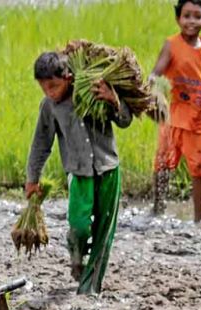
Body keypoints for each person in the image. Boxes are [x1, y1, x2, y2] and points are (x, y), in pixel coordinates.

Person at [26, 51, 133, 295]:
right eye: (44, 89)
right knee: (78, 227)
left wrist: (113, 99)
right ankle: (76, 255)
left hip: (108, 168)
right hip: (79, 172)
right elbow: (41, 144)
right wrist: (32, 179)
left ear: (69, 77)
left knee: (104, 232)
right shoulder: (50, 107)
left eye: (54, 86)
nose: (50, 93)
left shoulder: (94, 92)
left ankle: (90, 287)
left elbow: (125, 120)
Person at [149, 0, 201, 220]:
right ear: (178, 19)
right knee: (163, 164)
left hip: (199, 119)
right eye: (186, 16)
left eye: (197, 16)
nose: (191, 21)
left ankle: (198, 219)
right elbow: (157, 71)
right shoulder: (171, 45)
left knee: (200, 170)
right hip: (173, 115)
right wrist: (151, 85)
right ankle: (157, 209)